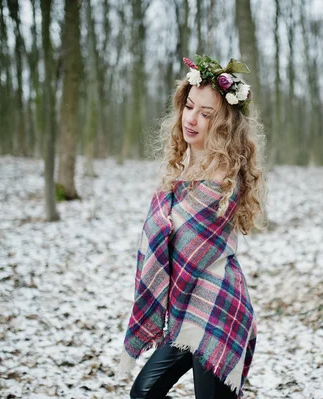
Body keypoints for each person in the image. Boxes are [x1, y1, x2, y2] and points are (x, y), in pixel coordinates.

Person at [116, 55, 266, 399]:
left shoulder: (221, 177)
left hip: (217, 308)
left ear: (224, 124)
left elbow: (188, 250)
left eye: (206, 113)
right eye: (189, 106)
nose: (192, 119)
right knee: (143, 393)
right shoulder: (181, 170)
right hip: (186, 313)